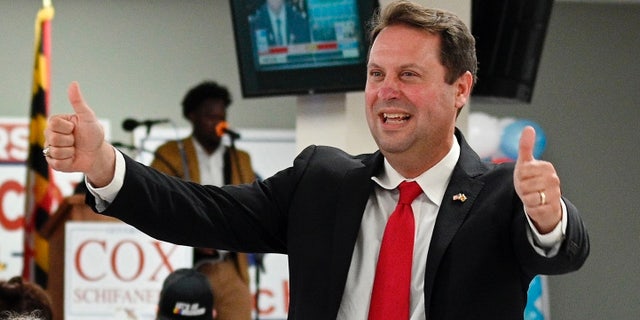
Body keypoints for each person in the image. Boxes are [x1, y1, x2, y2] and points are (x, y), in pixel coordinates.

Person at [43, 1, 590, 319]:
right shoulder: (322, 181)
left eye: (409, 75)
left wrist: (548, 219)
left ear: (460, 88)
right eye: (377, 74)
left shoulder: (499, 197)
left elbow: (562, 252)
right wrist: (105, 165)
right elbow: (201, 210)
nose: (386, 92)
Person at [149, 81, 255, 320]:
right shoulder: (170, 154)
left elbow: (251, 205)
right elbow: (157, 202)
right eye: (210, 116)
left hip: (230, 265)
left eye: (222, 116)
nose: (218, 123)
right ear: (192, 116)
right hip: (185, 265)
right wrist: (193, 232)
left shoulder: (240, 159)